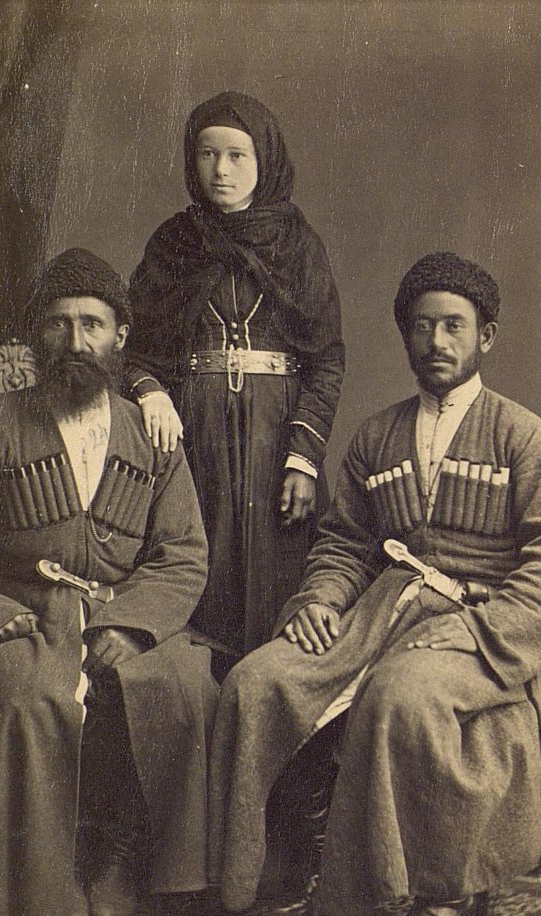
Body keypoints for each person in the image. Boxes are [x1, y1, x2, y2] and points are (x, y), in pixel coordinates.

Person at [209, 251, 541, 916]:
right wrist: (321, 599)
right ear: (405, 337)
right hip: (378, 615)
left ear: (485, 337)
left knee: (402, 695)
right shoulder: (377, 436)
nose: (435, 341)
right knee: (258, 680)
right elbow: (345, 543)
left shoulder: (521, 435)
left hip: (476, 626)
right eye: (421, 326)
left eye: (453, 326)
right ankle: (279, 868)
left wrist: (482, 632)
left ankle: (443, 891)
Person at [0, 248, 217, 916]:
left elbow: (183, 551)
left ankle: (122, 857)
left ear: (120, 337)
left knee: (180, 683)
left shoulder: (149, 432)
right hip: (23, 613)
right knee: (25, 696)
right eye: (59, 323)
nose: (75, 340)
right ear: (37, 334)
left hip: (121, 609)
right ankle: (40, 878)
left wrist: (134, 624)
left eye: (92, 324)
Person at [124, 91, 345, 665]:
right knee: (197, 563)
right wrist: (149, 390)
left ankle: (268, 708)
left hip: (277, 436)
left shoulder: (298, 244)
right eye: (207, 154)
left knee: (278, 576)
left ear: (263, 160)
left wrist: (304, 457)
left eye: (236, 156)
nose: (220, 170)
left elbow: (326, 359)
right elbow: (134, 346)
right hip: (196, 431)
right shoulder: (174, 243)